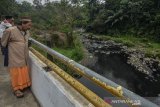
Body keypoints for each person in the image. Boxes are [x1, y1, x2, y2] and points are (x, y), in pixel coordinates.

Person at [1, 17, 32, 98]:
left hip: (24, 55)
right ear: (22, 24)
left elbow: (27, 41)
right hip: (14, 55)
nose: (30, 27)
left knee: (23, 70)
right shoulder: (10, 30)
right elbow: (3, 43)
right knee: (16, 72)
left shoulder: (27, 32)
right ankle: (16, 89)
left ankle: (24, 85)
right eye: (28, 25)